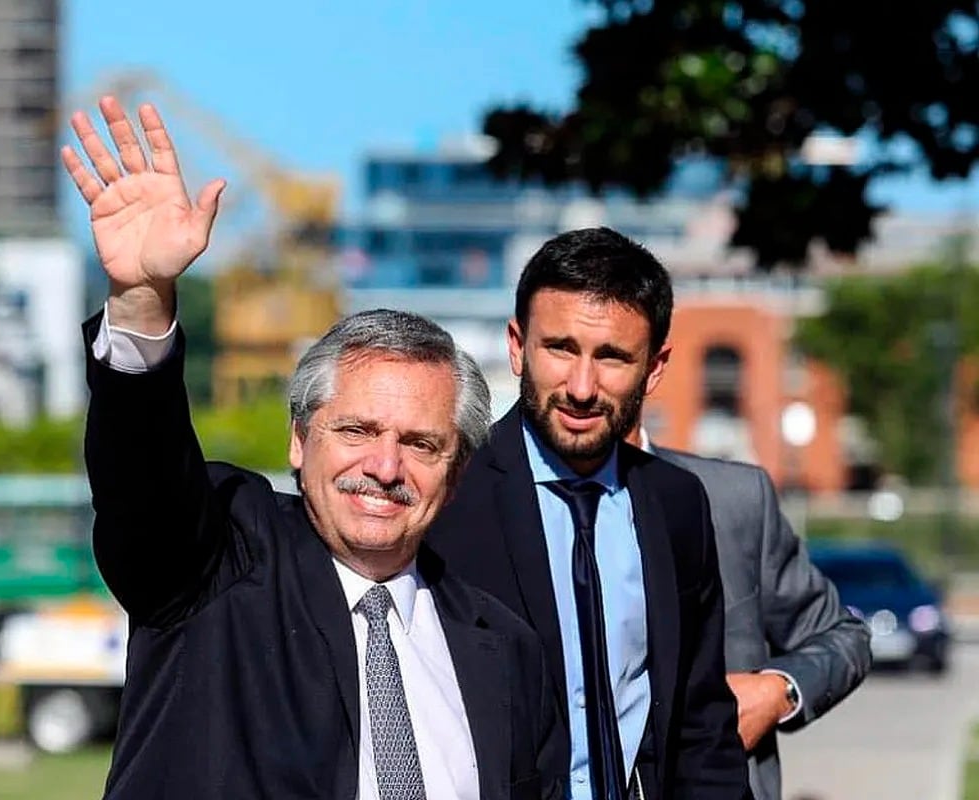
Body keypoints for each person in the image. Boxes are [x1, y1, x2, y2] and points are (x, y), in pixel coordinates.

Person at [64, 95, 567, 799]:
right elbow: (143, 481)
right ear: (299, 440)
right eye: (357, 431)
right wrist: (143, 297)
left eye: (420, 444)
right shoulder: (220, 560)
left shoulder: (506, 648)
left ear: (455, 474)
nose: (384, 467)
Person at [428, 228, 752, 800]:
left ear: (655, 367)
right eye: (560, 348)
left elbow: (701, 721)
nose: (581, 387)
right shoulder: (448, 495)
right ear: (517, 346)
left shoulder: (677, 502)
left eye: (611, 357)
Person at [630, 427, 871, 800]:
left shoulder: (734, 497)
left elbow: (842, 634)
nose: (585, 396)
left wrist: (776, 690)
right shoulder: (530, 505)